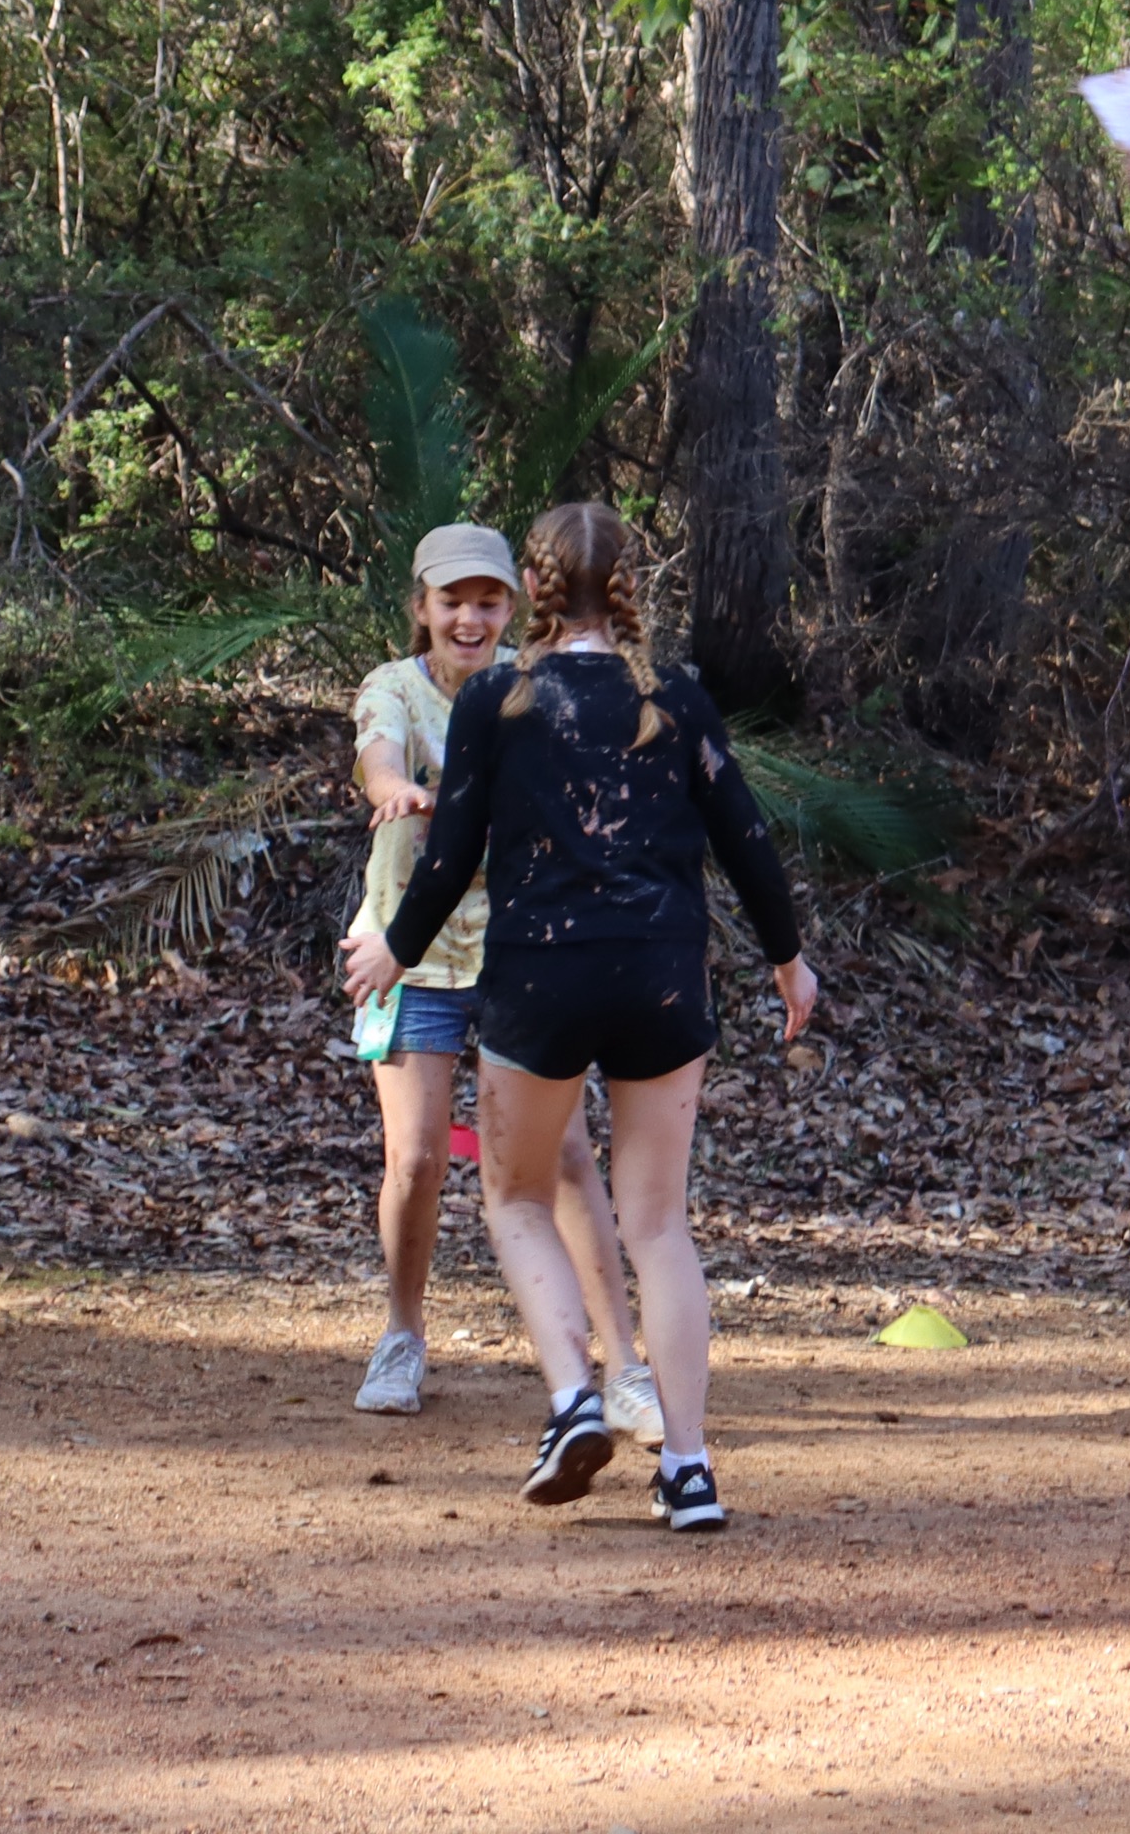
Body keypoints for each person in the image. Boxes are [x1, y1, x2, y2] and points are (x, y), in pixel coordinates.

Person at [353, 500, 817, 1535]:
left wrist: (396, 947)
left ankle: (572, 1400)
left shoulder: (501, 703)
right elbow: (744, 837)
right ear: (631, 585)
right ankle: (689, 1471)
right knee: (657, 1222)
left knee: (516, 1196)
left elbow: (453, 851)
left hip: (541, 977)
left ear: (538, 587)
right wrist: (791, 963)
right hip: (663, 976)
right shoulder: (678, 700)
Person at [339, 522, 652, 1431]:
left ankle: (623, 1364)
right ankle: (402, 1333)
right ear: (422, 609)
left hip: (524, 946)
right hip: (414, 948)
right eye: (452, 601)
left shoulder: (532, 688)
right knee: (420, 1159)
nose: (470, 619)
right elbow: (378, 751)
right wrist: (392, 790)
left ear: (515, 605)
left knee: (560, 1156)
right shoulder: (394, 687)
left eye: (488, 601)